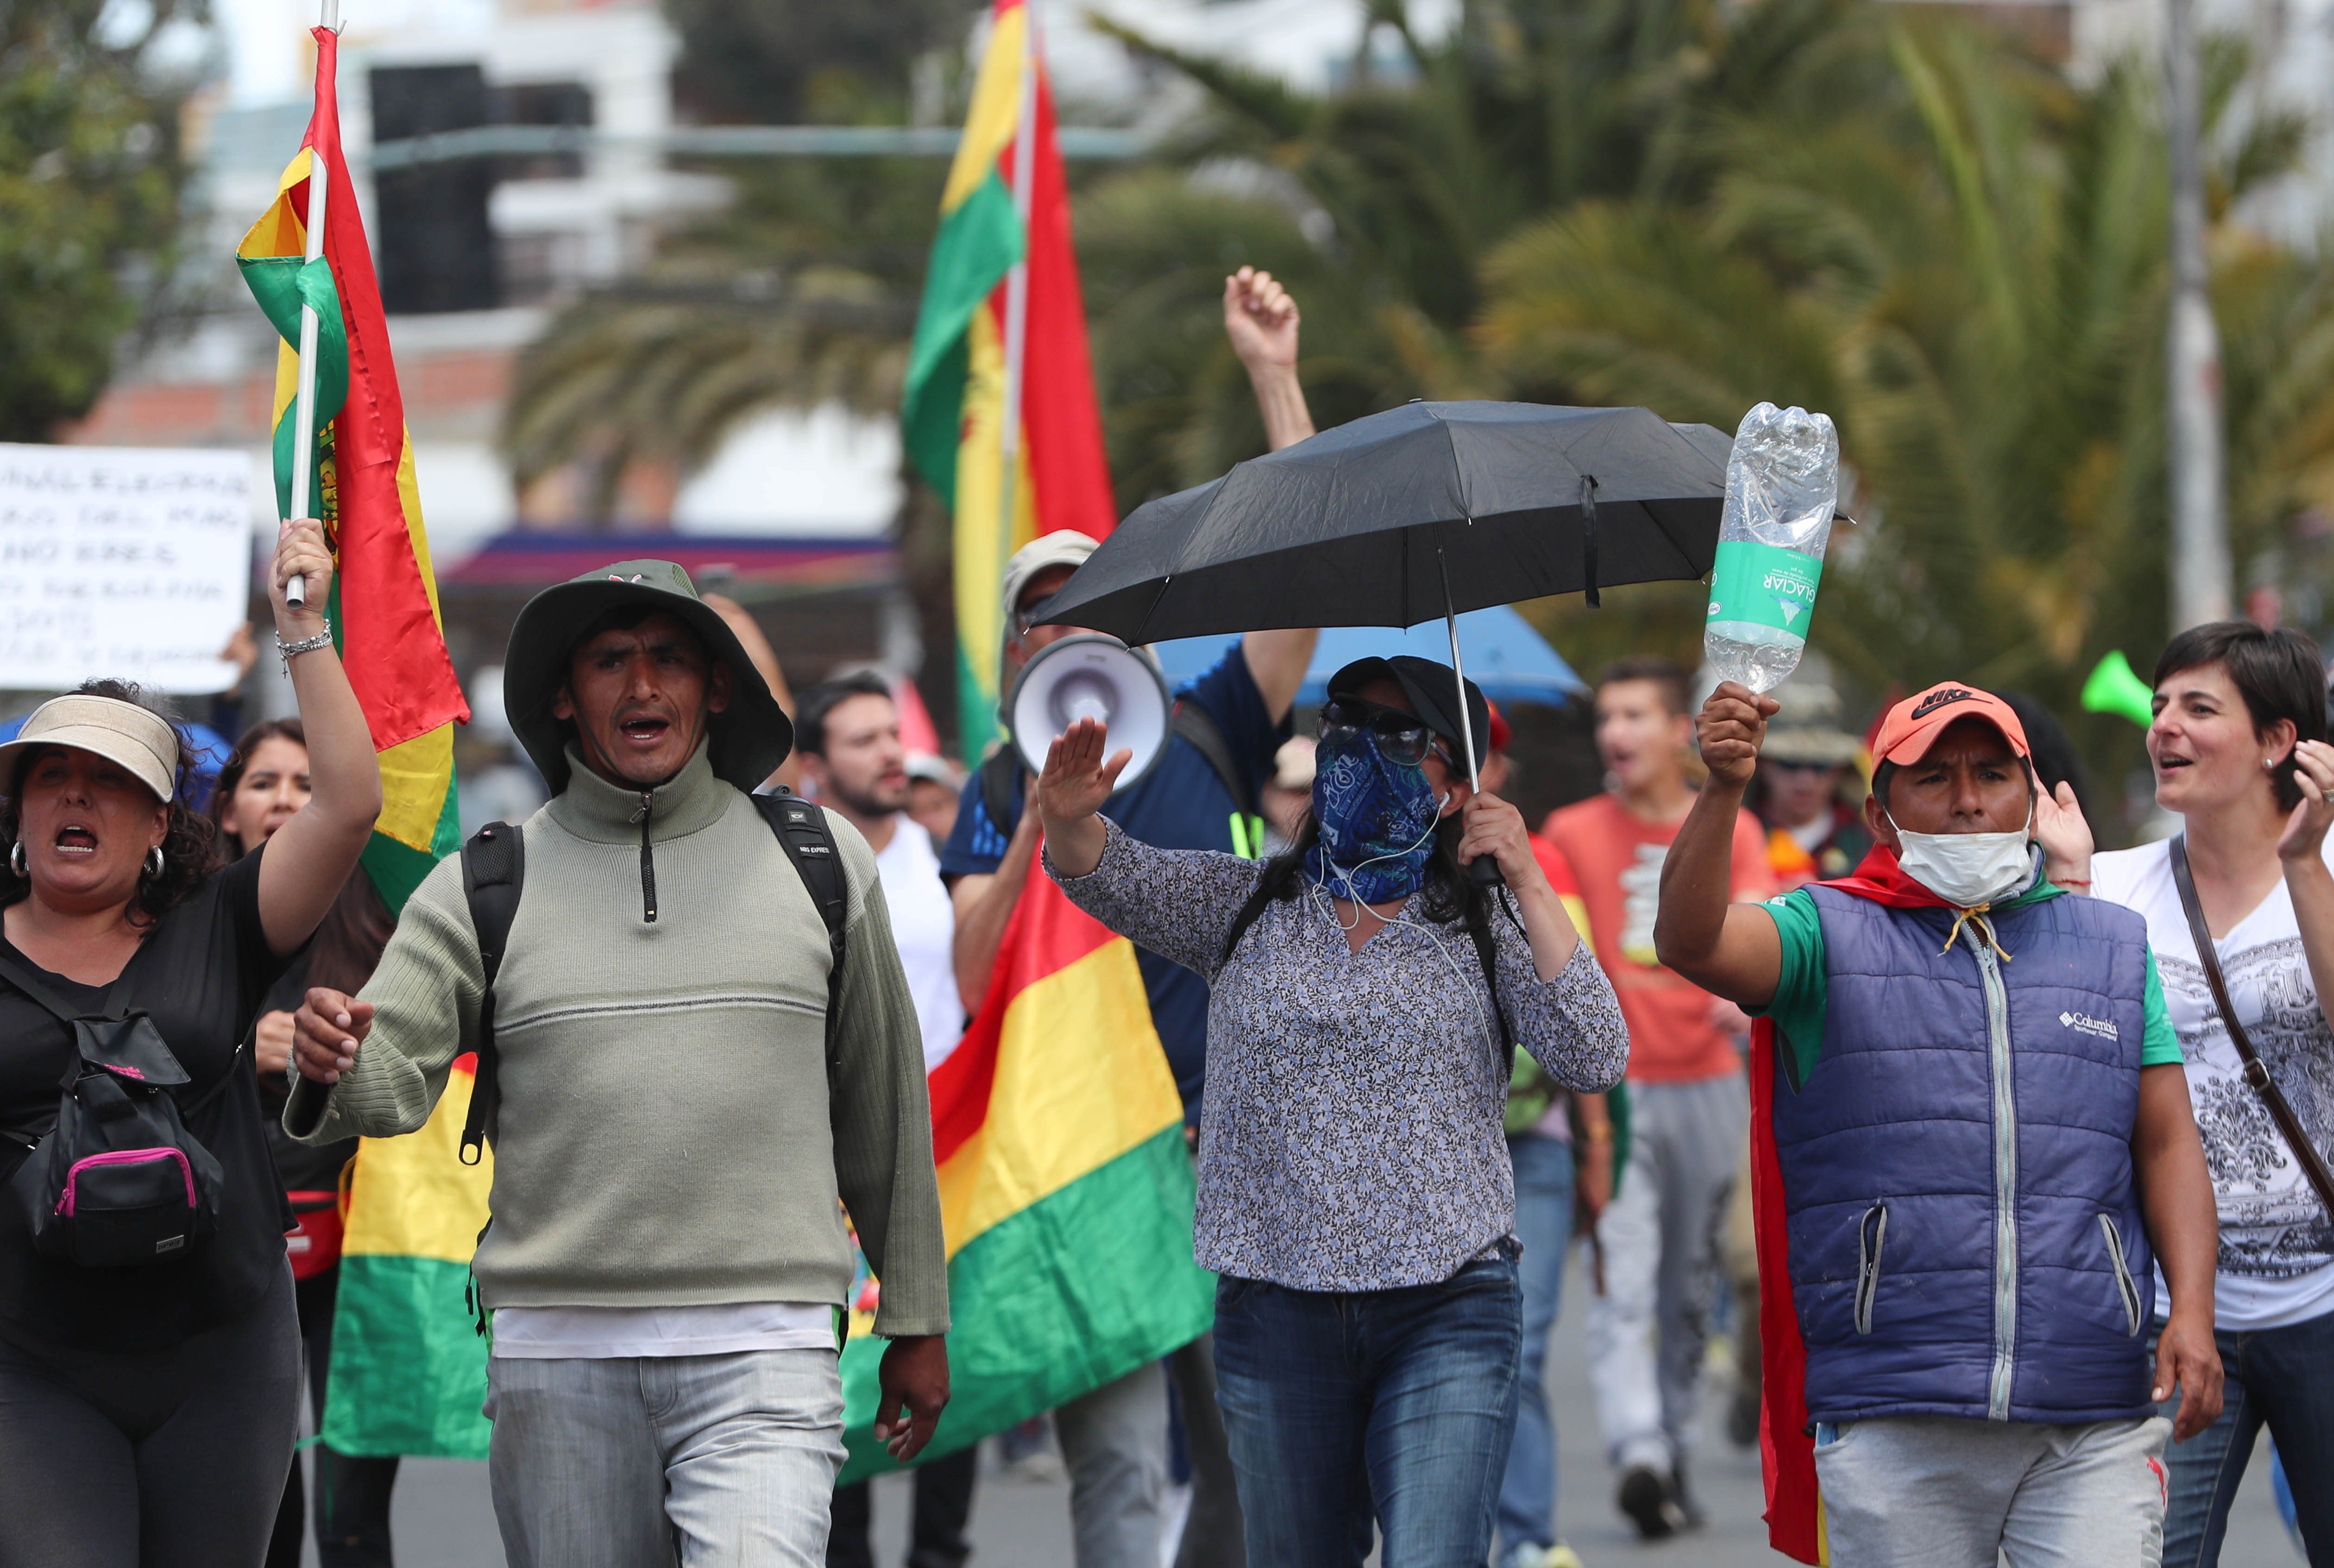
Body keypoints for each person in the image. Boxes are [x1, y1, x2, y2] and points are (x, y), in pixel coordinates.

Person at [287, 560, 950, 1568]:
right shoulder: (487, 882)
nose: (642, 686)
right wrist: (331, 1057)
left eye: (669, 659)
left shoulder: (821, 861)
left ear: (713, 686)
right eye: (609, 661)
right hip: (558, 1367)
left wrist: (915, 1316)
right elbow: (391, 1079)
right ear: (565, 695)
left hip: (767, 1355)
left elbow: (886, 1111)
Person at [1035, 655, 1629, 1567]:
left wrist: (1522, 874)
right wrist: (1067, 817)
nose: (1356, 751)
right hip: (1276, 1316)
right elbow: (1104, 872)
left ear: (1455, 786)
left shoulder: (1482, 920)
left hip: (1448, 1305)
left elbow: (1594, 1052)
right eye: (1343, 724)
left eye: (1395, 737)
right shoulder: (1243, 902)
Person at [1657, 678, 2224, 1568]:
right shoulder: (1821, 932)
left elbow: (2164, 1142)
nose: (1965, 799)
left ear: (2028, 797)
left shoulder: (2110, 945)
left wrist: (2190, 1309)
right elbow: (1690, 942)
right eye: (1931, 777)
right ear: (1881, 818)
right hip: (1894, 1410)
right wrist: (1722, 787)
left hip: (2089, 1413)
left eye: (1990, 774)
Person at [941, 265, 1319, 1568]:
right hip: (1087, 1161)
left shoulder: (1211, 721)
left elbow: (1297, 571)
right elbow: (971, 965)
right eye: (1040, 618)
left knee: (1242, 1443)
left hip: (1227, 1139)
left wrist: (1271, 375)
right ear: (1010, 650)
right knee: (1108, 1456)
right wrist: (1039, 824)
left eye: (1091, 609)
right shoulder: (992, 786)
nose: (1065, 632)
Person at [0, 520, 381, 1568]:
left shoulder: (222, 920)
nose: (78, 793)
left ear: (162, 818)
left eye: (112, 778)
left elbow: (349, 801)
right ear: (17, 814)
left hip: (223, 1354)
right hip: (30, 1360)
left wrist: (301, 628)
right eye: (51, 775)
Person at [2090, 622, 2334, 1566]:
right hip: (2178, 1313)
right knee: (2156, 1555)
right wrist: (2061, 880)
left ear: (2277, 741)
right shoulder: (2110, 887)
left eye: (2197, 708)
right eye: (2157, 708)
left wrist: (2303, 861)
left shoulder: (2327, 865)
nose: (2163, 729)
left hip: (2323, 1303)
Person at [1539, 656, 1770, 1536]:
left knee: (1686, 1285)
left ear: (1680, 730)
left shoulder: (1728, 827)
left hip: (1710, 1086)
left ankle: (1665, 1447)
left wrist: (1738, 991)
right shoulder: (1568, 830)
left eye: (1634, 715)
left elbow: (1746, 920)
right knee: (1624, 1277)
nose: (1615, 734)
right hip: (1618, 1090)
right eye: (1606, 716)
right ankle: (1636, 1447)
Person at [209, 720, 403, 1568]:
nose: (285, 800)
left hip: (363, 1245)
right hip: (231, 1246)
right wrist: (244, 1048)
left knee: (354, 1505)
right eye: (263, 783)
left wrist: (345, 1056)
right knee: (258, 1498)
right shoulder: (187, 924)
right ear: (226, 811)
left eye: (306, 784)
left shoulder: (386, 922)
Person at [795, 673, 978, 1568]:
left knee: (947, 1377)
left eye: (891, 733)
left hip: (947, 1159)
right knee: (843, 1390)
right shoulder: (791, 866)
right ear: (813, 767)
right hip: (833, 1169)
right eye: (862, 738)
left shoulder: (950, 861)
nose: (889, 750)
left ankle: (940, 1554)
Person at [1485, 702, 1610, 1568]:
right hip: (1446, 1148)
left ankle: (1526, 1537)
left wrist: (1595, 1146)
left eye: (1476, 755)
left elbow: (1584, 1019)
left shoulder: (1545, 862)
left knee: (1520, 1346)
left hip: (1537, 1143)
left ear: (1496, 769)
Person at [1748, 666, 1869, 890]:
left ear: (1840, 770)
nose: (1805, 782)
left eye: (1820, 766)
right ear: (1762, 764)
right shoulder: (1736, 834)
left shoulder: (1867, 844)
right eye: (1789, 764)